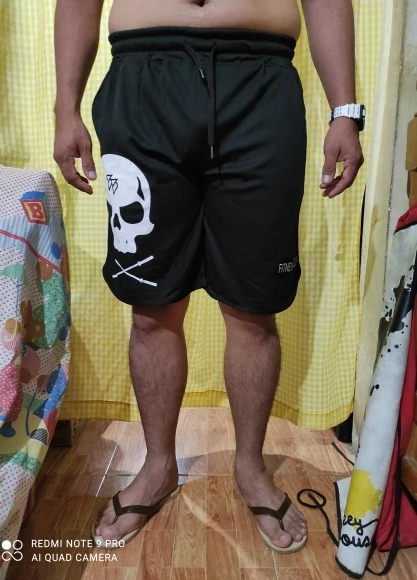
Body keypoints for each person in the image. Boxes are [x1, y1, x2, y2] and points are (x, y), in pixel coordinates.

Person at [53, 0, 364, 553]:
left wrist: (346, 110)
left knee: (254, 308)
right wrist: (65, 108)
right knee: (151, 308)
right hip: (144, 78)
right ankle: (158, 466)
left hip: (261, 82)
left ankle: (250, 467)